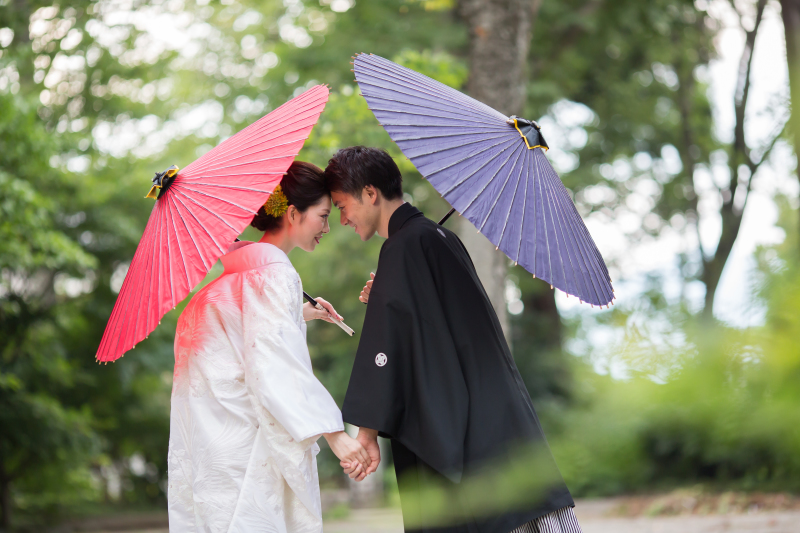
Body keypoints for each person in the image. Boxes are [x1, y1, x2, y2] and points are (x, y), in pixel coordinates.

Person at [324, 146, 582, 533]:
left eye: (343, 206)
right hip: (496, 412)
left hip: (456, 426)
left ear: (371, 193)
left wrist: (367, 434)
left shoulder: (404, 247)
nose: (343, 219)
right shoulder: (437, 237)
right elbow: (429, 321)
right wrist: (391, 290)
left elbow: (390, 339)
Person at [167, 161, 371, 533]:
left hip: (210, 451)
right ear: (292, 213)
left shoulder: (217, 288)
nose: (327, 227)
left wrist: (299, 313)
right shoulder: (275, 275)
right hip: (249, 449)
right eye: (323, 216)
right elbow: (275, 364)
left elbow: (247, 334)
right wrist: (335, 434)